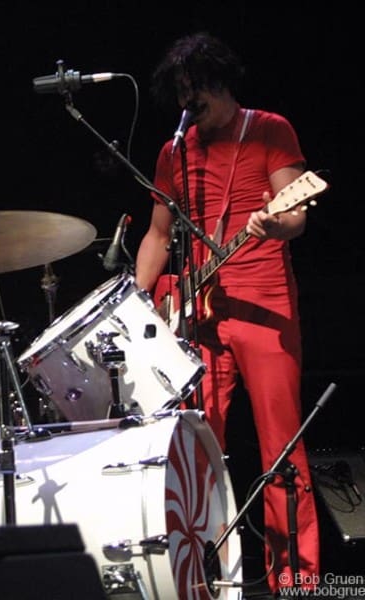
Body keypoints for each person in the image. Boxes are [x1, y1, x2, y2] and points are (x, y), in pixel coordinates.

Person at [134, 33, 320, 594]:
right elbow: (158, 236)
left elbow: (297, 213)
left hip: (263, 302)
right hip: (195, 312)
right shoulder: (175, 152)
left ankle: (297, 579)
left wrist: (273, 223)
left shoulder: (269, 129)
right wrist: (141, 304)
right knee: (192, 445)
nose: (193, 110)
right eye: (183, 99)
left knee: (281, 444)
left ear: (221, 83)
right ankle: (196, 573)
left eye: (200, 96)